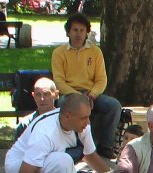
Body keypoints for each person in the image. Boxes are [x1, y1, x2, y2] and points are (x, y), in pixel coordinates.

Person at [4, 93, 110, 173]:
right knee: (63, 162)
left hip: (49, 166)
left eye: (88, 116)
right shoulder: (45, 132)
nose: (88, 122)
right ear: (67, 116)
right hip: (19, 168)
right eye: (84, 118)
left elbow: (90, 155)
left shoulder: (82, 125)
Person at [51, 12, 122, 159]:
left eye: (82, 30)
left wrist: (92, 95)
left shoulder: (95, 52)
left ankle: (105, 147)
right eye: (75, 30)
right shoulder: (59, 53)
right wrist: (77, 96)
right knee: (63, 106)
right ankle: (69, 146)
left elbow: (101, 79)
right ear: (68, 32)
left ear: (87, 33)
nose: (78, 34)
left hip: (91, 94)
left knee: (114, 105)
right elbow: (59, 81)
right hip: (70, 94)